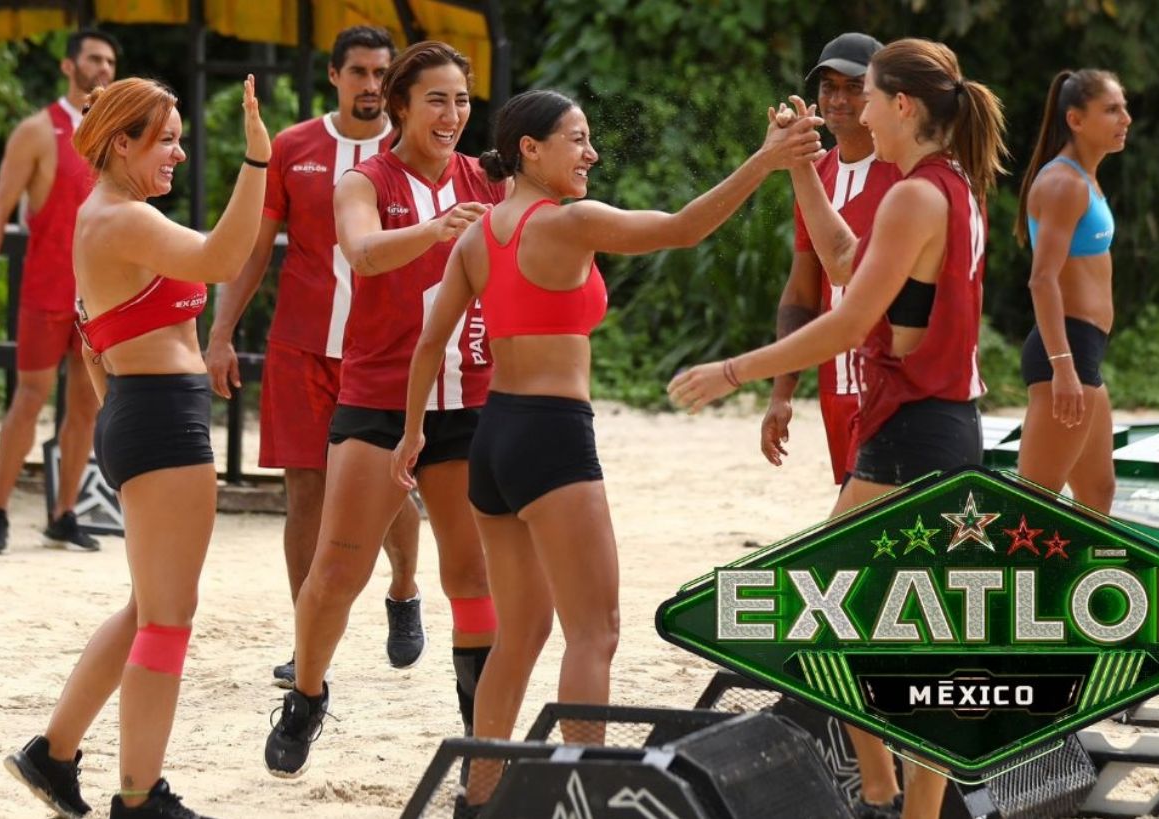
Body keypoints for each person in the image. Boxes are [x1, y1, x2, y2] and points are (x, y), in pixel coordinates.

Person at [391, 89, 825, 812]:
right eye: (577, 139)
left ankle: (480, 798)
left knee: (519, 634)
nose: (591, 153)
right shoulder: (570, 221)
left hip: (494, 439)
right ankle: (578, 799)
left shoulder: (478, 234)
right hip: (552, 436)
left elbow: (430, 342)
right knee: (595, 632)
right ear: (530, 149)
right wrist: (766, 160)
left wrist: (413, 432)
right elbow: (683, 229)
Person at [669, 38, 1008, 819]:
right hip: (939, 425)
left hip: (913, 431)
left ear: (903, 106)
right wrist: (800, 169)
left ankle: (890, 797)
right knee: (906, 633)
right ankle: (891, 797)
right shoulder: (950, 183)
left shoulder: (914, 195)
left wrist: (735, 371)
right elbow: (846, 259)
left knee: (833, 614)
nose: (859, 113)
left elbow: (849, 319)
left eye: (871, 97)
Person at [2, 75, 269, 819]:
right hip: (160, 419)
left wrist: (121, 407)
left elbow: (92, 337)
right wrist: (257, 162)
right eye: (167, 141)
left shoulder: (108, 216)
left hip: (142, 410)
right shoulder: (119, 218)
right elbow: (223, 258)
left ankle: (52, 753)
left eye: (180, 140)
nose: (179, 154)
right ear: (122, 143)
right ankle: (140, 796)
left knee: (147, 607)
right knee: (168, 618)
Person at [263, 41, 504, 780]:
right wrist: (435, 231)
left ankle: (481, 739)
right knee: (339, 568)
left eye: (462, 99)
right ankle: (307, 693)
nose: (453, 113)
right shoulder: (364, 179)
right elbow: (363, 252)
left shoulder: (488, 176)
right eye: (437, 99)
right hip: (377, 395)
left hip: (466, 395)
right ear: (400, 106)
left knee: (472, 575)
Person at [204, 25, 426, 687]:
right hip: (302, 346)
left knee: (392, 483)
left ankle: (405, 589)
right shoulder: (293, 147)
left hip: (384, 350)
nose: (371, 85)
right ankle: (307, 643)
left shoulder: (413, 149)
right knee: (303, 490)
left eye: (381, 73)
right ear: (334, 76)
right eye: (359, 71)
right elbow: (252, 248)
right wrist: (220, 333)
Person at [762, 32, 907, 819]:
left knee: (852, 578)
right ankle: (883, 768)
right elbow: (803, 284)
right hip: (837, 395)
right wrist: (781, 390)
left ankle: (886, 779)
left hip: (894, 396)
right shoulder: (815, 173)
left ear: (882, 95)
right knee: (870, 578)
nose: (841, 99)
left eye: (855, 86)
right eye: (830, 87)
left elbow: (859, 276)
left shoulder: (904, 172)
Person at [0, 29, 118, 554]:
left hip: (98, 294)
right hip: (46, 288)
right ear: (69, 66)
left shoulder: (116, 134)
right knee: (29, 398)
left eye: (110, 61)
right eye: (94, 59)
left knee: (86, 406)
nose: (104, 68)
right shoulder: (37, 131)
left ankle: (64, 513)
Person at [1014, 69, 1130, 513]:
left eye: (1124, 108)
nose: (1125, 119)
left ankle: (1085, 564)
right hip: (1065, 350)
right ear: (1076, 120)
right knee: (1033, 506)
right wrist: (1063, 367)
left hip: (1084, 350)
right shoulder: (1064, 184)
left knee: (1098, 492)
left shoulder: (1085, 179)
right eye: (1112, 110)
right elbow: (1042, 279)